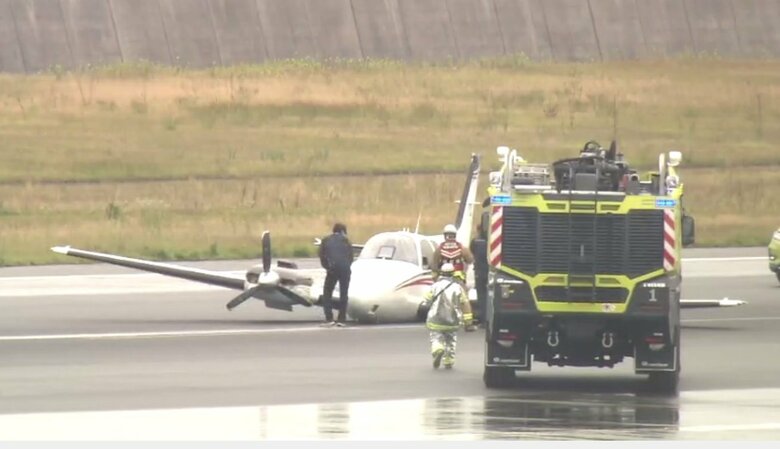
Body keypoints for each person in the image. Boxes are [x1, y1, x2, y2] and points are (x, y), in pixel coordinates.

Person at [422, 263, 476, 369]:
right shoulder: (458, 287)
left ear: (441, 273)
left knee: (436, 337)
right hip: (452, 320)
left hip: (436, 319)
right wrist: (468, 320)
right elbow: (465, 304)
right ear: (453, 274)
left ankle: (437, 348)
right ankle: (448, 360)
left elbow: (426, 300)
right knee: (451, 340)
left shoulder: (435, 286)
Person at [318, 222, 354, 327]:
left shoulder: (326, 240)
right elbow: (350, 257)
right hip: (345, 269)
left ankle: (329, 318)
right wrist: (346, 266)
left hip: (332, 268)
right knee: (344, 293)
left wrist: (327, 268)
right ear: (343, 231)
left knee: (327, 293)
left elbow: (322, 256)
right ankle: (342, 319)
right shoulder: (347, 241)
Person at [469, 223, 489, 325]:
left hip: (479, 272)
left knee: (481, 296)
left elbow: (472, 253)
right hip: (490, 271)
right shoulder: (493, 240)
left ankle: (483, 320)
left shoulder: (475, 241)